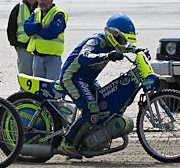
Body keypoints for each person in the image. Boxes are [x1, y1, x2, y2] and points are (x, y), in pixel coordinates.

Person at [58, 13, 137, 158]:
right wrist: (107, 56)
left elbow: (126, 49)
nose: (123, 43)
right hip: (72, 78)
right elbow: (83, 57)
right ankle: (67, 143)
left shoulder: (111, 44)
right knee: (91, 110)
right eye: (122, 39)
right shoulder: (96, 41)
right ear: (113, 34)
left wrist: (137, 51)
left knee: (102, 103)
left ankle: (84, 139)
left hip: (87, 80)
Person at [24, 0, 67, 80]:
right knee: (38, 89)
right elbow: (27, 28)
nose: (41, 2)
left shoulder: (58, 14)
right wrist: (39, 26)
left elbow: (51, 33)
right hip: (37, 56)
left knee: (53, 87)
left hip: (52, 57)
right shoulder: (36, 12)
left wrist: (35, 30)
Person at [7, 0, 39, 75]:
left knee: (39, 76)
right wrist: (15, 44)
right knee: (25, 74)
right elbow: (11, 28)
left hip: (40, 46)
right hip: (23, 46)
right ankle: (24, 91)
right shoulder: (18, 7)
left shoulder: (44, 6)